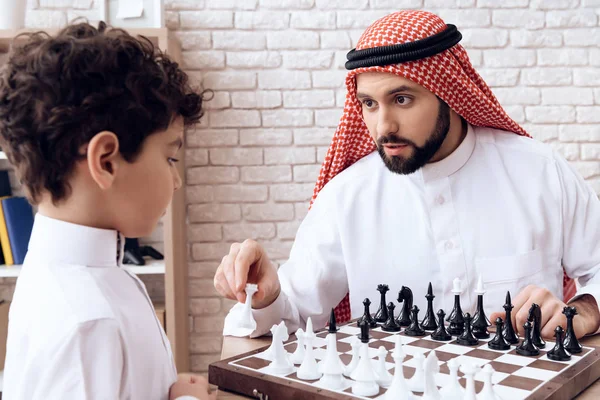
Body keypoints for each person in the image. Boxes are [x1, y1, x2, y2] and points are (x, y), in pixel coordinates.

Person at [214, 10, 600, 340]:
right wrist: (264, 296)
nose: (384, 126)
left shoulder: (539, 172)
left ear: (447, 91)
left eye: (402, 99)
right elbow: (294, 315)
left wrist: (583, 309)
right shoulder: (347, 198)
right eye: (369, 104)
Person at [0, 22, 214, 400]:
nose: (176, 181)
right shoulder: (85, 322)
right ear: (106, 161)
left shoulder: (91, 281)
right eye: (169, 157)